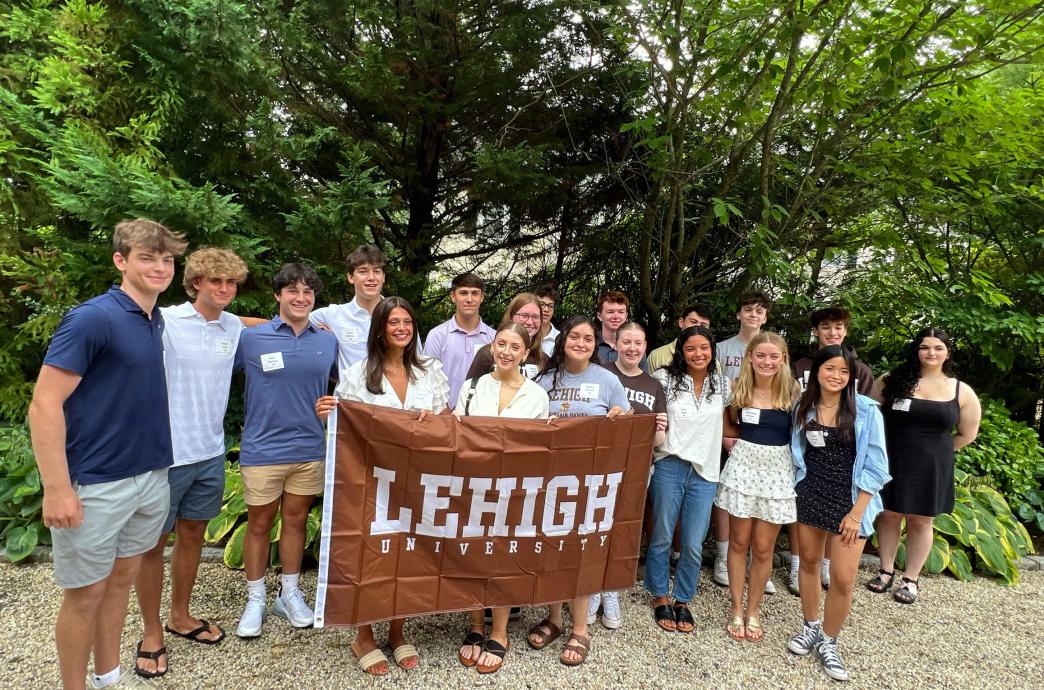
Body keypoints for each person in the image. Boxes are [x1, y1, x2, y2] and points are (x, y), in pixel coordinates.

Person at [28, 218, 187, 690]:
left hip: (149, 475)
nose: (159, 267)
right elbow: (44, 403)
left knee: (121, 582)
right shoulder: (93, 318)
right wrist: (56, 488)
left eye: (166, 259)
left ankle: (108, 677)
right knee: (85, 595)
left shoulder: (152, 317)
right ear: (121, 260)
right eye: (147, 257)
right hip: (96, 482)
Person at [316, 296, 450, 675]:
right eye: (394, 323)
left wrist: (434, 419)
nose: (402, 329)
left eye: (407, 322)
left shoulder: (431, 371)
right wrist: (330, 414)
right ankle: (363, 634)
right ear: (380, 328)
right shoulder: (359, 374)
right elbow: (344, 431)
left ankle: (397, 629)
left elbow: (448, 423)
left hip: (418, 480)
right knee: (371, 556)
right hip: (371, 482)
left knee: (407, 556)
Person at [133, 248, 248, 678]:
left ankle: (179, 617)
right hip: (165, 455)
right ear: (196, 281)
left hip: (211, 451)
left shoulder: (233, 325)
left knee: (194, 535)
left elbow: (263, 326)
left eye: (231, 283)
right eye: (216, 281)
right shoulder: (164, 321)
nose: (224, 289)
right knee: (151, 544)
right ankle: (150, 632)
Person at [234, 264, 338, 641]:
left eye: (308, 291)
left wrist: (333, 405)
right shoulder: (252, 339)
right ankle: (255, 597)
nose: (301, 297)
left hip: (310, 447)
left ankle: (289, 593)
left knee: (295, 522)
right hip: (263, 448)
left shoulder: (327, 340)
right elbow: (220, 324)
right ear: (278, 295)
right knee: (259, 525)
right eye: (292, 290)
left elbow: (341, 388)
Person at [526, 316, 629, 666]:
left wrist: (621, 417)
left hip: (591, 482)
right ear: (563, 340)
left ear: (595, 344)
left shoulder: (608, 380)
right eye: (575, 336)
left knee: (582, 552)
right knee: (552, 550)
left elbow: (628, 429)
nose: (581, 343)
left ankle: (581, 628)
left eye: (588, 338)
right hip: (550, 480)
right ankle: (555, 618)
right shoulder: (544, 379)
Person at [787, 345, 890, 682]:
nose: (836, 376)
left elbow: (876, 466)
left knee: (844, 579)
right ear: (817, 371)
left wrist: (857, 513)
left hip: (850, 502)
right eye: (830, 369)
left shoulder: (865, 411)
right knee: (810, 565)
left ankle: (830, 642)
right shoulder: (803, 407)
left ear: (851, 376)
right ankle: (810, 626)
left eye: (843, 371)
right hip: (811, 494)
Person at [452, 323, 550, 674]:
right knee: (473, 556)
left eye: (515, 347)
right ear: (492, 347)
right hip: (473, 488)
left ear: (526, 353)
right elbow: (454, 435)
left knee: (504, 557)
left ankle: (499, 631)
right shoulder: (471, 388)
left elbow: (542, 449)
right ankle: (476, 626)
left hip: (514, 490)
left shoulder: (537, 396)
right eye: (501, 344)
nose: (506, 352)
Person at [869, 328, 981, 604]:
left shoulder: (961, 390)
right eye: (925, 347)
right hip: (892, 458)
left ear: (947, 353)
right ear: (916, 350)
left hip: (933, 466)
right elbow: (869, 419)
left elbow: (967, 434)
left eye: (938, 348)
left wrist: (937, 452)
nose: (931, 353)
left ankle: (911, 578)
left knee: (921, 520)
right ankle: (885, 570)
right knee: (889, 515)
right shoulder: (891, 381)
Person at [647, 326, 730, 635]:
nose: (698, 354)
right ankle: (659, 594)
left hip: (706, 471)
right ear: (681, 351)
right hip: (670, 464)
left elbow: (736, 418)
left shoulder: (723, 385)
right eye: (691, 348)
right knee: (663, 536)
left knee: (694, 543)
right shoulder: (664, 379)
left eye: (704, 348)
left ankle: (684, 598)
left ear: (712, 351)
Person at [717, 333, 798, 641]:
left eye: (773, 356)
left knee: (764, 547)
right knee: (739, 542)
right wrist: (735, 446)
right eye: (761, 356)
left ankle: (754, 609)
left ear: (783, 359)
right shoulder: (738, 387)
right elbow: (728, 425)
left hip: (777, 470)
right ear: (749, 356)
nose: (767, 362)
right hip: (744, 465)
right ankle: (736, 607)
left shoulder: (792, 391)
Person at [788, 305, 874, 595]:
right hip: (812, 472)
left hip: (848, 474)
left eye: (838, 327)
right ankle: (798, 565)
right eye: (826, 327)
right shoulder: (799, 366)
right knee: (807, 527)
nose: (833, 332)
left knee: (840, 576)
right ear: (816, 331)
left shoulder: (861, 372)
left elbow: (870, 434)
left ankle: (828, 565)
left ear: (846, 331)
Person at [594, 322, 667, 629]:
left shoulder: (653, 385)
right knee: (595, 526)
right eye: (627, 342)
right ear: (616, 344)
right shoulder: (602, 374)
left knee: (622, 529)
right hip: (599, 465)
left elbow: (661, 440)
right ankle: (590, 589)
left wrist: (657, 428)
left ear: (645, 346)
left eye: (638, 343)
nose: (632, 348)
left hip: (638, 467)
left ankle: (610, 590)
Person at [713, 291, 773, 592]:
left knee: (761, 497)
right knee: (727, 495)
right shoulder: (722, 349)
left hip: (765, 435)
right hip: (731, 432)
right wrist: (726, 435)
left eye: (759, 311)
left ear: (765, 317)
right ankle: (724, 556)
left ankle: (758, 560)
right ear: (738, 314)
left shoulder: (772, 347)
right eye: (748, 309)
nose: (753, 315)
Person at [310, 244, 387, 376]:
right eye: (363, 271)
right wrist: (322, 336)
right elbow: (287, 324)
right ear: (350, 277)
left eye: (377, 271)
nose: (371, 277)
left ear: (383, 277)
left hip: (390, 396)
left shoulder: (399, 316)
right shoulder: (333, 315)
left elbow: (416, 360)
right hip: (347, 395)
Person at [423, 273, 495, 404]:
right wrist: (445, 414)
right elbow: (428, 380)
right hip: (445, 416)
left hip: (481, 417)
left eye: (474, 293)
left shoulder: (494, 338)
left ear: (482, 297)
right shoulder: (437, 336)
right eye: (463, 293)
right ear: (453, 296)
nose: (469, 299)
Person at [465, 293, 545, 380]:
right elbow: (470, 389)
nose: (530, 322)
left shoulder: (544, 359)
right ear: (511, 316)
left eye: (535, 317)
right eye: (524, 316)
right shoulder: (488, 354)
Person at [647, 303, 712, 372]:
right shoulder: (657, 356)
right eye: (693, 322)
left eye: (703, 325)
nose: (697, 327)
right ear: (681, 322)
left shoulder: (711, 360)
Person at [535, 285, 561, 356]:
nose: (546, 310)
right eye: (542, 304)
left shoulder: (560, 338)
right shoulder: (525, 334)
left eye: (550, 306)